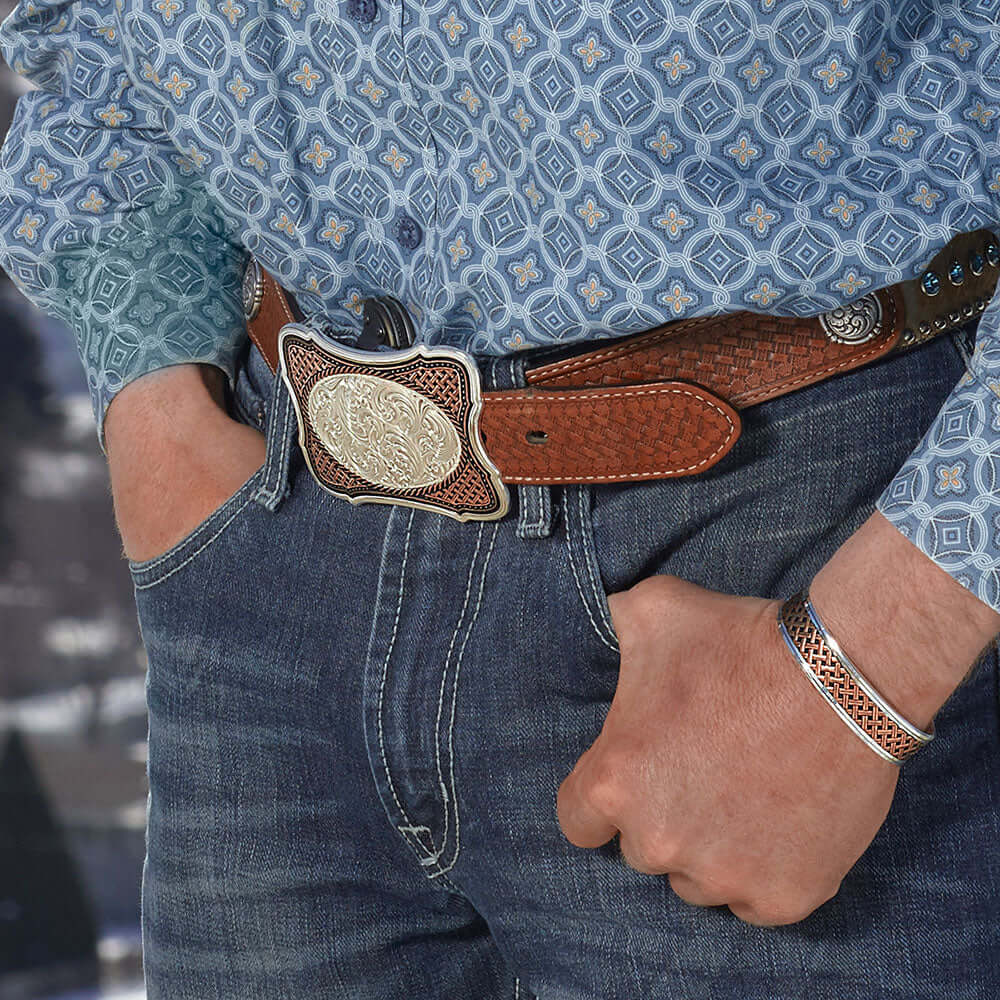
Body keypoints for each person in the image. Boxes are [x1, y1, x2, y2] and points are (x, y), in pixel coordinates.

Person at [1, 0, 998, 995]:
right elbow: (92, 39)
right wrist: (156, 404)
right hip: (273, 570)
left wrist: (869, 659)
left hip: (776, 569)